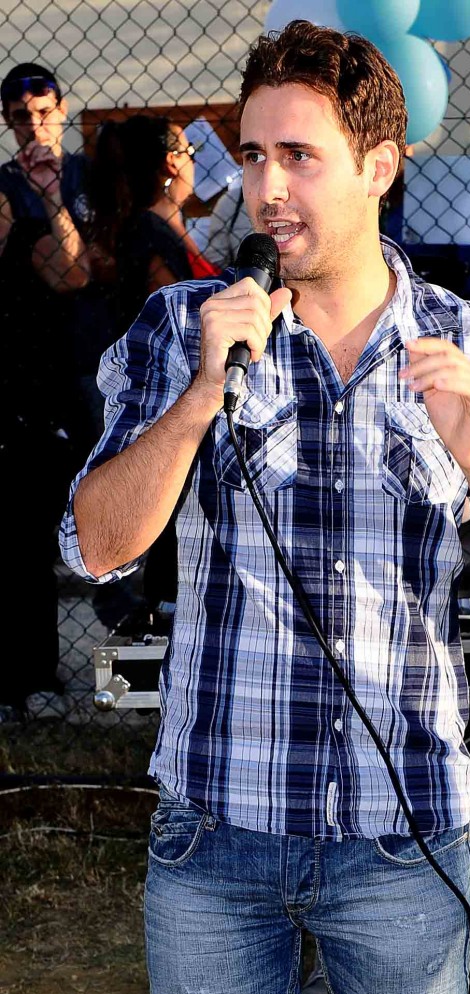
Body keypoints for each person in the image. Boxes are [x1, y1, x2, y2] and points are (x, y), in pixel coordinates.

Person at [60, 20, 470, 994]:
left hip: (402, 836)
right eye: (255, 154)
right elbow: (94, 547)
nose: (267, 187)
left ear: (379, 167)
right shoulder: (184, 329)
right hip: (217, 829)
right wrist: (201, 396)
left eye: (299, 156)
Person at [88, 114, 219, 623]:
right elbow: (174, 326)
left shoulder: (164, 228)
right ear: (171, 163)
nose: (193, 163)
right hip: (173, 403)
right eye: (190, 152)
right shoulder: (150, 231)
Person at [0, 62, 92, 715]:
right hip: (28, 376)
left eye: (42, 114)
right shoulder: (6, 186)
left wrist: (57, 198)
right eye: (19, 119)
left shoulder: (90, 176)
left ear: (61, 111)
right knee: (24, 527)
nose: (33, 128)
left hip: (93, 358)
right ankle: (30, 677)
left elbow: (83, 272)